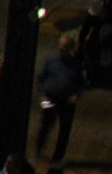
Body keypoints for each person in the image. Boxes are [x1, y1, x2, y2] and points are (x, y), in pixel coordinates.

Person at [35, 34, 86, 165]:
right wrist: (42, 95)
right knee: (45, 125)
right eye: (61, 46)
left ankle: (57, 157)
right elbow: (40, 79)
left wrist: (77, 95)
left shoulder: (77, 65)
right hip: (50, 98)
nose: (61, 49)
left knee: (64, 130)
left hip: (67, 102)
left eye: (65, 47)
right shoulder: (51, 61)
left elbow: (82, 84)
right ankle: (38, 149)